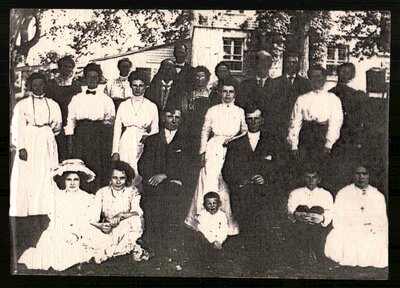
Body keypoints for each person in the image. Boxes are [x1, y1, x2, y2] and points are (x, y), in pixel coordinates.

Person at [185, 78, 248, 236]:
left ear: (235, 94)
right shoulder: (212, 110)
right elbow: (205, 131)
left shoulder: (240, 111)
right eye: (225, 91)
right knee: (210, 181)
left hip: (232, 149)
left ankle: (227, 226)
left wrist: (232, 140)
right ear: (220, 92)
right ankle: (203, 224)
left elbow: (245, 130)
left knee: (226, 183)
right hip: (214, 148)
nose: (227, 95)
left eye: (231, 91)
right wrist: (202, 151)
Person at [17, 160, 102, 271]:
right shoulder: (58, 196)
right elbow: (55, 218)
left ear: (80, 181)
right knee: (49, 248)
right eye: (69, 179)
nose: (72, 183)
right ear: (64, 181)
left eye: (76, 180)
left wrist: (76, 234)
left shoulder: (88, 198)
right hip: (60, 230)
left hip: (81, 231)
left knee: (75, 250)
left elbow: (89, 221)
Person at [138, 107, 191, 252]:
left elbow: (188, 165)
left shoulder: (186, 140)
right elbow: (143, 164)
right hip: (154, 182)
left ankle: (169, 242)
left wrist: (166, 175)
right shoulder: (152, 139)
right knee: (153, 200)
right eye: (170, 116)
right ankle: (152, 240)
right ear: (163, 118)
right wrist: (151, 177)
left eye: (177, 117)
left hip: (175, 181)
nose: (174, 120)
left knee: (170, 198)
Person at [10, 72, 62, 217]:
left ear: (45, 85)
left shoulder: (53, 104)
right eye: (35, 85)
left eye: (41, 84)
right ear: (30, 86)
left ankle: (45, 209)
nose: (38, 87)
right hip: (29, 140)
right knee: (30, 174)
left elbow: (57, 126)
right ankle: (30, 209)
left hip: (46, 138)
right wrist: (21, 147)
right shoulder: (23, 104)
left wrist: (46, 134)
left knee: (46, 172)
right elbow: (16, 126)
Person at [222, 107, 278, 235]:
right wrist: (244, 180)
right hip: (243, 198)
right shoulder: (235, 144)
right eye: (250, 119)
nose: (253, 122)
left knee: (265, 235)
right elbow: (227, 171)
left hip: (266, 198)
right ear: (245, 121)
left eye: (256, 118)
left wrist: (265, 178)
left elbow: (280, 168)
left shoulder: (273, 143)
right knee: (246, 234)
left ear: (262, 120)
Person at [324, 164, 388, 268]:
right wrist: (354, 225)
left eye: (364, 174)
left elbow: (382, 219)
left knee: (377, 238)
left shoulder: (378, 195)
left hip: (370, 229)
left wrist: (371, 226)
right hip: (350, 228)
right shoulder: (344, 193)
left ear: (369, 175)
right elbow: (338, 217)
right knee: (342, 237)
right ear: (353, 175)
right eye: (358, 173)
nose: (361, 177)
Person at [65, 63, 115, 193]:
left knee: (98, 165)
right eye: (89, 77)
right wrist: (70, 140)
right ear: (85, 79)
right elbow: (71, 120)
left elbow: (110, 119)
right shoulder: (76, 98)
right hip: (81, 134)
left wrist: (101, 132)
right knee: (81, 165)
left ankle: (96, 195)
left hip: (99, 134)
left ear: (99, 79)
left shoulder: (106, 99)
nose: (92, 80)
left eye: (95, 77)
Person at [89, 161, 149, 263]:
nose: (118, 182)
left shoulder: (132, 191)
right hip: (109, 228)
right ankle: (121, 251)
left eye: (122, 178)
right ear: (109, 178)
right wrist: (102, 226)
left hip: (127, 227)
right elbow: (92, 218)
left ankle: (115, 252)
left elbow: (137, 212)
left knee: (134, 219)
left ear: (127, 179)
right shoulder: (102, 192)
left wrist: (121, 215)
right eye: (114, 178)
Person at [112, 70, 159, 188]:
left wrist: (148, 137)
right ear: (131, 86)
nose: (138, 89)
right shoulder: (124, 105)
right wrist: (115, 151)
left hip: (142, 142)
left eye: (141, 86)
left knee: (139, 171)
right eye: (135, 85)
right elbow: (117, 129)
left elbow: (155, 129)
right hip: (126, 140)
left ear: (146, 87)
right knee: (125, 170)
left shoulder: (152, 106)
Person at [287, 65, 343, 163]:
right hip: (306, 136)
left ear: (325, 78)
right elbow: (295, 122)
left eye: (318, 76)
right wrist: (294, 145)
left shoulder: (333, 99)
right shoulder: (302, 99)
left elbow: (335, 123)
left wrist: (328, 144)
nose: (315, 79)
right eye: (312, 77)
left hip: (323, 136)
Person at [270, 52, 312, 162]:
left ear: (299, 65)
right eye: (289, 62)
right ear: (285, 64)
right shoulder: (275, 83)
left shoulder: (306, 84)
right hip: (279, 130)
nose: (292, 65)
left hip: (299, 129)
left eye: (295, 63)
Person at [286, 166, 334, 264]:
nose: (311, 180)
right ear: (304, 178)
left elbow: (331, 212)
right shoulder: (296, 193)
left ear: (319, 180)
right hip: (300, 225)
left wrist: (321, 218)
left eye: (314, 177)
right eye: (308, 177)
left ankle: (314, 252)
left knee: (317, 212)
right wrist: (297, 214)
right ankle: (304, 253)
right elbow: (289, 208)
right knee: (302, 210)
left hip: (318, 226)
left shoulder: (326, 194)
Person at [45, 55, 82, 161]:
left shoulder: (76, 85)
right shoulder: (51, 84)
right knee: (58, 149)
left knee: (72, 149)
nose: (67, 69)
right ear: (60, 68)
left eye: (70, 66)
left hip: (72, 120)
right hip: (57, 120)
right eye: (65, 66)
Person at [328, 63, 368, 157]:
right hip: (332, 133)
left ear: (352, 75)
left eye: (347, 72)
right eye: (342, 72)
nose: (344, 74)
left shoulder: (356, 94)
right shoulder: (330, 93)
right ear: (338, 73)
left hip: (350, 135)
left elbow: (359, 118)